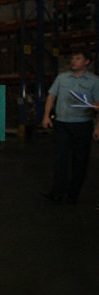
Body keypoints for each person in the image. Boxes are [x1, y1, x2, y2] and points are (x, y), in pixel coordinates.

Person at [41, 50, 99, 204]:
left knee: (80, 160)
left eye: (78, 58)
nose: (73, 61)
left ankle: (73, 194)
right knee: (60, 159)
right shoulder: (62, 78)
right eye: (72, 58)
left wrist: (97, 127)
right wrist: (46, 116)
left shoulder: (94, 81)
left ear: (87, 62)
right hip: (62, 124)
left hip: (83, 125)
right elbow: (51, 96)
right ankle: (57, 193)